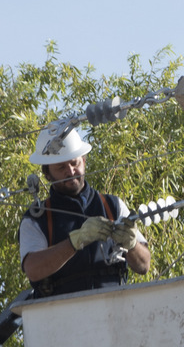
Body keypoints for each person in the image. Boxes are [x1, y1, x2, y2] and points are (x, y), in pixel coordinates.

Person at [19, 126, 151, 297]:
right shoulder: (38, 218)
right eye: (61, 167)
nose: (70, 171)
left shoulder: (112, 205)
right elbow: (33, 270)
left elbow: (144, 265)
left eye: (75, 163)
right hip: (62, 313)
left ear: (84, 160)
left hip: (115, 309)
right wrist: (74, 242)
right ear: (47, 174)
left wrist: (132, 245)